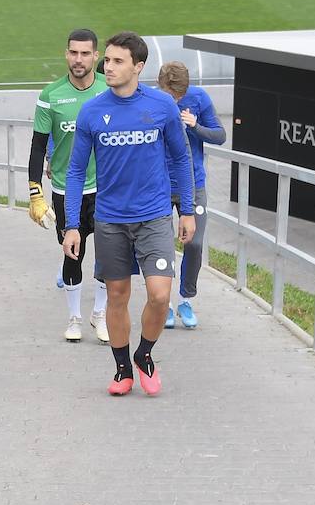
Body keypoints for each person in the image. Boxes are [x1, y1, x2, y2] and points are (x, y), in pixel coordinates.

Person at [62, 31, 195, 397]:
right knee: (117, 295)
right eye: (107, 60)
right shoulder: (92, 110)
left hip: (153, 217)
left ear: (138, 66)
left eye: (118, 61)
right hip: (110, 220)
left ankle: (144, 354)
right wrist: (72, 225)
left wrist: (187, 209)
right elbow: (75, 171)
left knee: (159, 295)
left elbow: (181, 158)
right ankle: (122, 369)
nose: (109, 66)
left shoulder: (162, 106)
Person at [30, 29, 110, 344]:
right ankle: (74, 317)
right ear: (66, 54)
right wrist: (35, 191)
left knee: (107, 254)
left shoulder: (107, 90)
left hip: (105, 188)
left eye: (85, 53)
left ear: (95, 56)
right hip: (66, 189)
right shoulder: (51, 95)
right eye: (73, 53)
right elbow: (37, 147)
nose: (79, 59)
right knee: (72, 253)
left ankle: (99, 315)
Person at [158, 61, 225, 330]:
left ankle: (186, 298)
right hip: (160, 187)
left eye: (178, 96)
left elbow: (220, 135)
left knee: (194, 244)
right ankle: (165, 306)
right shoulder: (152, 101)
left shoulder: (199, 98)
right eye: (170, 95)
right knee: (162, 248)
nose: (174, 100)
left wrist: (195, 126)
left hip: (193, 185)